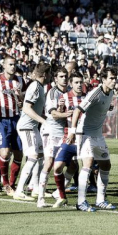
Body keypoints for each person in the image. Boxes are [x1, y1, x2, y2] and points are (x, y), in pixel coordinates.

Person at [67, 67, 118, 212]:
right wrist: (72, 131)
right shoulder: (95, 92)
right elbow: (78, 110)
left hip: (98, 134)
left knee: (106, 165)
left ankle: (100, 200)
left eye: (115, 78)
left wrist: (108, 107)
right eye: (111, 78)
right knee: (87, 164)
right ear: (103, 79)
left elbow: (101, 106)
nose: (114, 81)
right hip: (85, 133)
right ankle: (81, 202)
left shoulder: (111, 92)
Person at [13, 63, 51, 201]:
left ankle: (35, 188)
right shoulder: (36, 86)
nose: (51, 77)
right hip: (26, 127)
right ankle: (19, 190)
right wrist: (43, 121)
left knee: (40, 155)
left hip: (33, 126)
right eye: (50, 74)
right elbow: (27, 109)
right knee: (33, 156)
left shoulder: (39, 86)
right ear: (45, 74)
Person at [0, 56, 25, 196]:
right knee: (4, 153)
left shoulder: (20, 80)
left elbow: (25, 100)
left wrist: (19, 95)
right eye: (10, 64)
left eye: (14, 64)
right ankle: (4, 183)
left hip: (17, 119)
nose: (13, 67)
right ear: (4, 65)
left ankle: (12, 184)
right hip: (2, 120)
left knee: (18, 154)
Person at [51, 71, 86, 208]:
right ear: (71, 84)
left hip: (84, 137)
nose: (79, 85)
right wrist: (60, 108)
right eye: (76, 82)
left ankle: (98, 197)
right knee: (58, 166)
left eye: (80, 82)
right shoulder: (64, 97)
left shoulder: (87, 98)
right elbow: (55, 116)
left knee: (91, 167)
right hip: (69, 137)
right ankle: (61, 195)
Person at [36, 66, 70, 208]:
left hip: (64, 132)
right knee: (49, 163)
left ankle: (58, 193)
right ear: (55, 79)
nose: (64, 79)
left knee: (73, 165)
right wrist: (68, 113)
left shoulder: (69, 93)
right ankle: (40, 197)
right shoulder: (52, 92)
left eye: (65, 76)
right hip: (51, 131)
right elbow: (53, 114)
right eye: (61, 76)